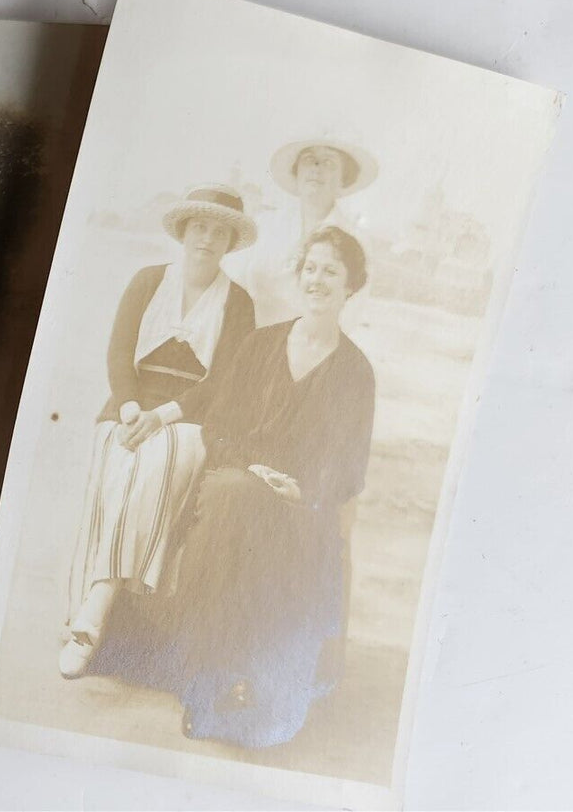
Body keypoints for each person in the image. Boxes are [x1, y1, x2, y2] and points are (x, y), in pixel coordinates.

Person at [101, 226, 376, 748]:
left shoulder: (356, 373)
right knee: (234, 499)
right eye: (310, 268)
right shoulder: (262, 344)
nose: (317, 280)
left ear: (351, 286)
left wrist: (302, 491)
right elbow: (220, 423)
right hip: (236, 479)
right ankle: (210, 680)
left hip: (301, 504)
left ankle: (228, 678)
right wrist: (251, 469)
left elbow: (348, 466)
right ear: (299, 276)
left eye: (331, 272)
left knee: (248, 512)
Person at [58, 184, 257, 679]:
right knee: (120, 455)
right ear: (184, 232)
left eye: (219, 232)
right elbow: (119, 352)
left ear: (230, 243)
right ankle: (99, 601)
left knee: (159, 459)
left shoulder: (238, 303)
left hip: (188, 417)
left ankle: (94, 610)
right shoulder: (148, 281)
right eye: (199, 227)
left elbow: (226, 383)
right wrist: (130, 408)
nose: (206, 239)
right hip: (129, 406)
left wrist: (163, 415)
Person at [223, 139, 377, 326]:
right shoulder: (265, 225)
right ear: (296, 172)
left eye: (329, 162)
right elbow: (230, 284)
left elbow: (348, 318)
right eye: (309, 159)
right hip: (247, 333)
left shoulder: (356, 242)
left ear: (344, 178)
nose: (316, 167)